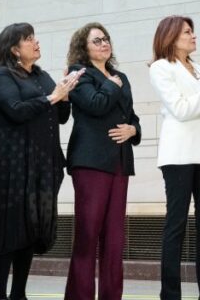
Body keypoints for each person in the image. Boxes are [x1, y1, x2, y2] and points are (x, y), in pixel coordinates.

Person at [0, 23, 84, 300]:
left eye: (35, 37)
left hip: (40, 162)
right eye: (28, 39)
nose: (36, 42)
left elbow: (59, 116)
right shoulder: (2, 75)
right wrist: (52, 97)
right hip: (7, 162)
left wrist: (64, 95)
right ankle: (0, 294)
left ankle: (19, 293)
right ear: (14, 49)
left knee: (31, 228)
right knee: (7, 226)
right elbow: (16, 111)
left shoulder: (43, 76)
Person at [148, 15, 200, 300]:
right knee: (176, 225)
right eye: (187, 32)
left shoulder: (196, 68)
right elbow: (181, 109)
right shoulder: (161, 68)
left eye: (192, 31)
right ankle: (170, 295)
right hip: (179, 155)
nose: (193, 35)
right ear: (171, 37)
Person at [63, 22, 141, 300]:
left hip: (119, 163)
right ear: (83, 48)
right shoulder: (78, 74)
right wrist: (110, 85)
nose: (104, 43)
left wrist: (134, 130)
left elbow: (131, 116)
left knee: (114, 241)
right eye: (96, 40)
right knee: (88, 236)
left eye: (106, 38)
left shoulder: (121, 76)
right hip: (91, 162)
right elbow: (95, 104)